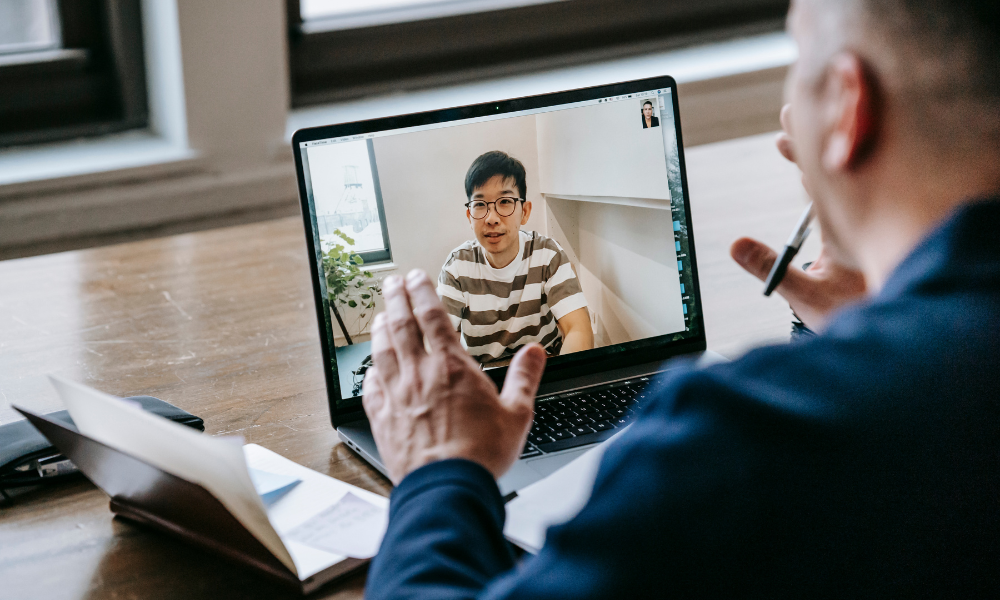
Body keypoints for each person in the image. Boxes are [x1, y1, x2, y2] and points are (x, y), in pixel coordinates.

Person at [363, 0, 1000, 597]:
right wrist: (874, 327)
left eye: (795, 58)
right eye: (482, 204)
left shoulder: (733, 439)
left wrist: (437, 471)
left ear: (843, 108)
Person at [438, 150, 594, 364]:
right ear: (469, 216)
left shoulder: (548, 254)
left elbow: (579, 330)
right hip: (487, 380)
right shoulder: (457, 267)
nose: (492, 218)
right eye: (480, 205)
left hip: (545, 370)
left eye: (505, 202)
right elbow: (440, 344)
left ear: (525, 211)